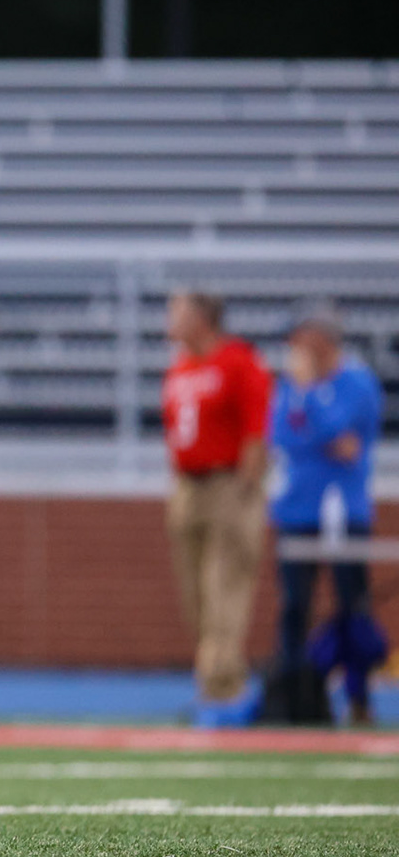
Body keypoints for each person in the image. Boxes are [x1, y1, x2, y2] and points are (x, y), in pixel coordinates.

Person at [269, 305, 386, 725]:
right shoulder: (289, 386)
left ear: (321, 337)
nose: (294, 347)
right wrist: (312, 418)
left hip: (343, 509)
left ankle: (358, 698)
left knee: (352, 606)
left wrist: (312, 404)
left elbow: (347, 444)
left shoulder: (356, 382)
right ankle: (295, 698)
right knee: (293, 606)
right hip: (296, 508)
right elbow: (281, 436)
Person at [160, 289, 272, 727]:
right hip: (189, 485)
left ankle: (222, 687)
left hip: (228, 482)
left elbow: (255, 428)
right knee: (197, 595)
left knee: (224, 587)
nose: (170, 319)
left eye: (178, 310)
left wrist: (244, 488)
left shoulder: (237, 361)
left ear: (203, 318)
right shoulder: (181, 365)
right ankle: (217, 679)